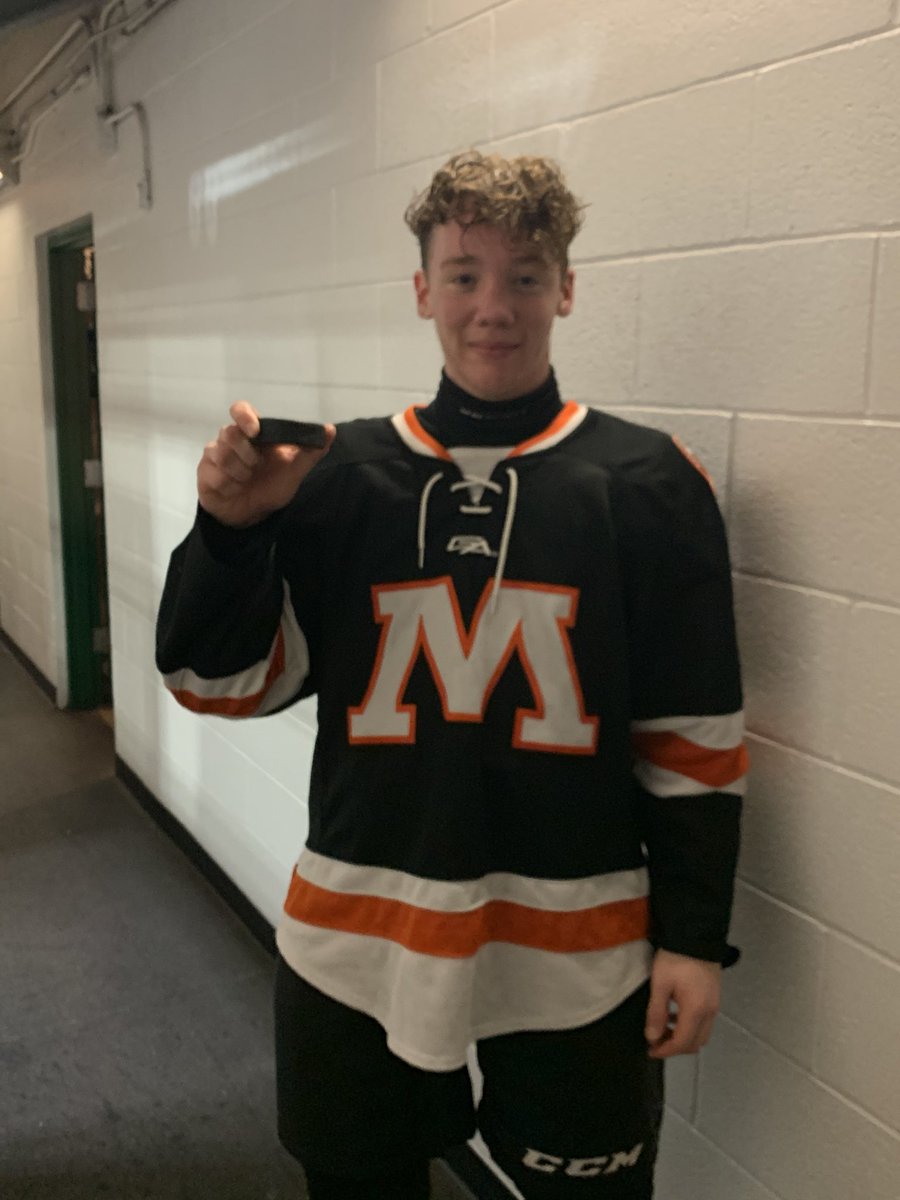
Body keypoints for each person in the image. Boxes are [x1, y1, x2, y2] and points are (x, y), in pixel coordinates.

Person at [156, 151, 747, 1200]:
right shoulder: (334, 479)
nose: (494, 305)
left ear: (567, 287)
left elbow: (692, 740)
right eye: (465, 273)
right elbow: (219, 685)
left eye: (526, 274)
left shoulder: (651, 482)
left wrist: (695, 941)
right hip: (355, 947)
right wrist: (230, 533)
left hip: (584, 955)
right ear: (422, 287)